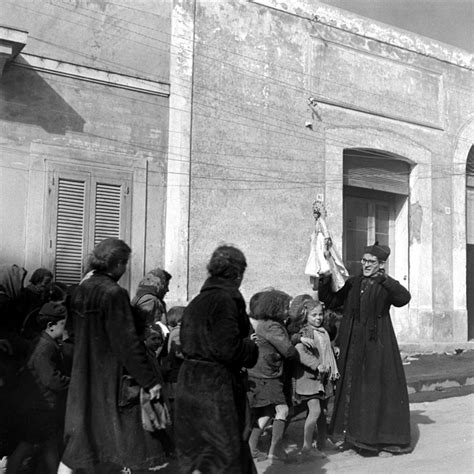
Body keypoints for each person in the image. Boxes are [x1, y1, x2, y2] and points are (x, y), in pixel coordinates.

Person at [60, 238, 166, 473]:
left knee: (81, 443)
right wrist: (150, 381)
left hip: (83, 377)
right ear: (117, 263)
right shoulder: (114, 293)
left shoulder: (81, 290)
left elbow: (71, 333)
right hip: (109, 380)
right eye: (125, 263)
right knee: (118, 446)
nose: (125, 269)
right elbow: (127, 343)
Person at [318, 241, 412, 454]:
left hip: (377, 343)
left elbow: (403, 299)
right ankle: (351, 437)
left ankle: (373, 440)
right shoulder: (353, 282)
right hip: (352, 343)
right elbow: (331, 300)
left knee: (372, 389)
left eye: (371, 262)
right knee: (351, 386)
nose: (366, 264)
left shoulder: (385, 284)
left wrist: (386, 280)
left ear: (381, 264)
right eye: (364, 260)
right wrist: (324, 275)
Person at [174, 245, 258, 474]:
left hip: (189, 383)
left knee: (201, 454)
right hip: (216, 389)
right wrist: (252, 348)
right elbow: (228, 348)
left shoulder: (197, 302)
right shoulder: (227, 300)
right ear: (238, 274)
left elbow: (184, 342)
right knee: (224, 455)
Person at [7, 302, 70, 473]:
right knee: (27, 446)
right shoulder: (45, 347)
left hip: (40, 406)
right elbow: (51, 379)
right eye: (64, 324)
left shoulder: (44, 341)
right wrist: (71, 383)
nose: (66, 329)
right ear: (51, 326)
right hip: (39, 407)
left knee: (48, 444)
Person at [246, 290, 298, 464]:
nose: (288, 310)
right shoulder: (273, 327)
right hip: (269, 375)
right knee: (282, 410)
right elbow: (288, 351)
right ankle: (275, 451)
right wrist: (297, 341)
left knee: (267, 411)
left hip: (259, 373)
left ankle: (251, 448)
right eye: (285, 307)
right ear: (276, 308)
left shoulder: (262, 323)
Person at [290, 300, 339, 460]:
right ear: (306, 315)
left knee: (322, 412)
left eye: (320, 314)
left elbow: (324, 347)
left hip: (322, 380)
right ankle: (306, 447)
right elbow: (300, 351)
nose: (318, 318)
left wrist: (333, 349)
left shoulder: (322, 331)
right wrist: (317, 365)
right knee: (316, 411)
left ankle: (321, 441)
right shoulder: (306, 332)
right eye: (314, 315)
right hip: (309, 379)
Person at [131, 268, 172, 338]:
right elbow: (149, 326)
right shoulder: (150, 300)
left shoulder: (141, 297)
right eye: (165, 286)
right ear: (158, 285)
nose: (167, 290)